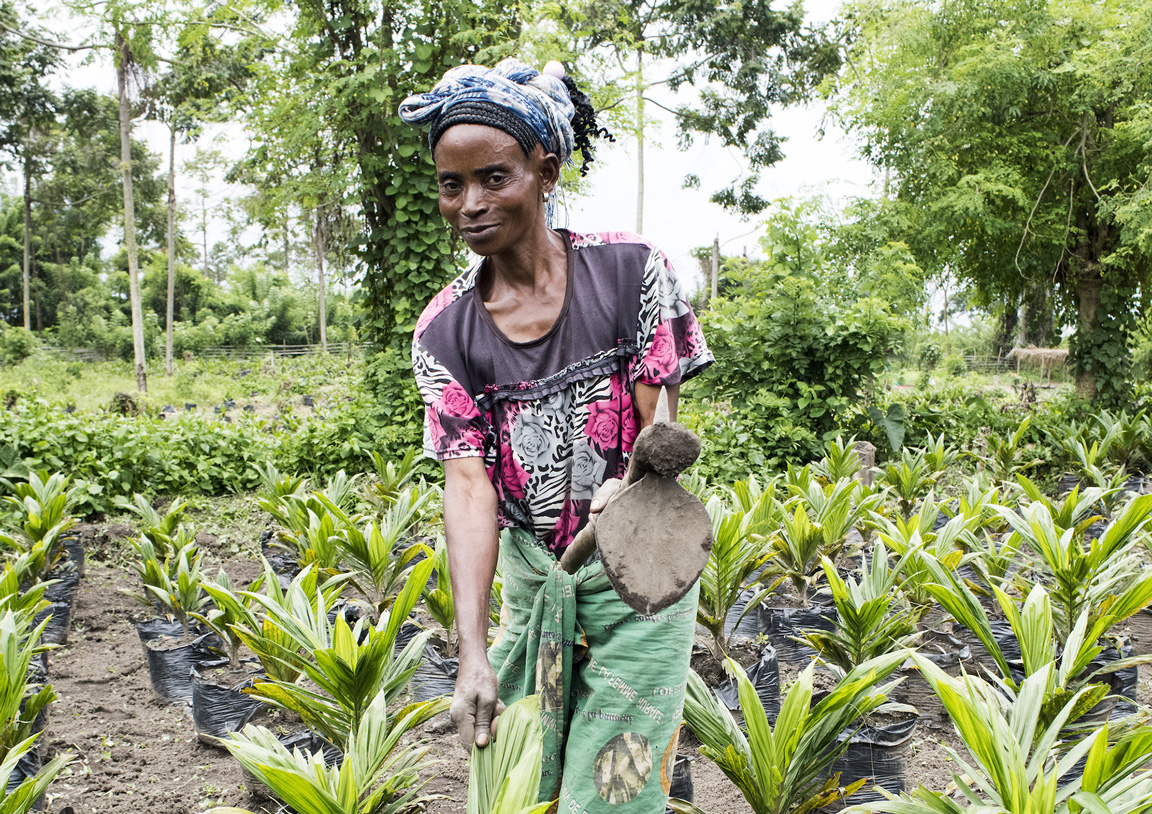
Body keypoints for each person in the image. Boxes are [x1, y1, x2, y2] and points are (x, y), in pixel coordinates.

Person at [400, 58, 713, 813]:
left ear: (545, 172)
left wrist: (635, 477)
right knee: (511, 784)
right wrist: (471, 654)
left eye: (494, 178)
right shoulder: (445, 332)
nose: (470, 203)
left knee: (611, 791)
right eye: (452, 184)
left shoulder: (631, 271)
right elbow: (468, 488)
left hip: (639, 571)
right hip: (537, 577)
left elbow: (657, 426)